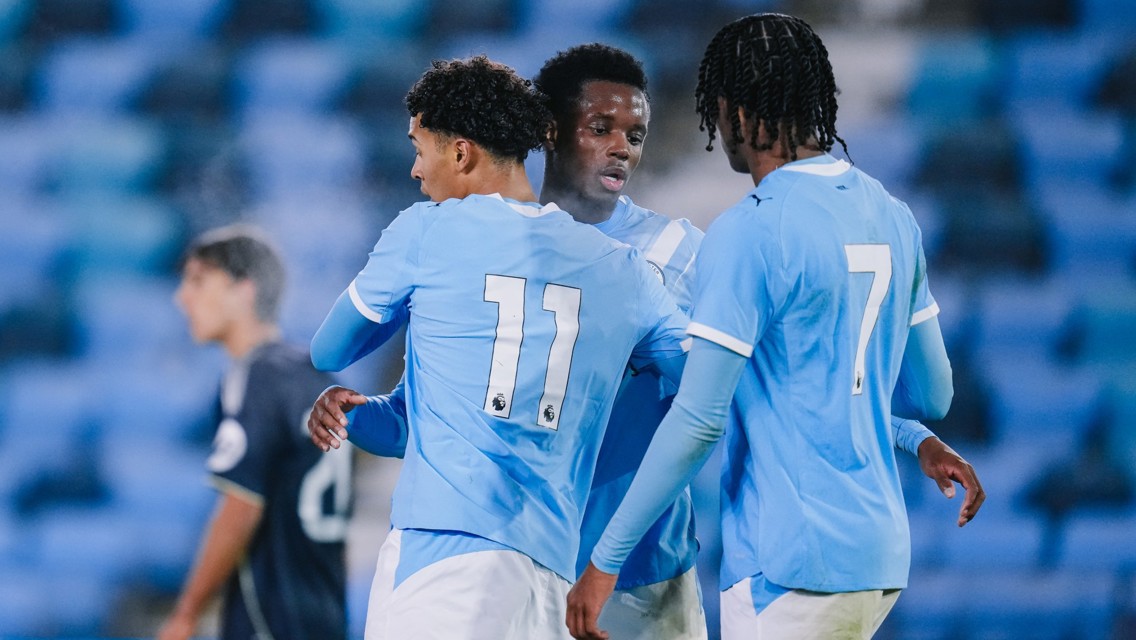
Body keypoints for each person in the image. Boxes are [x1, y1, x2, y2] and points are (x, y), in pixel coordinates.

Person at [567, 14, 986, 640]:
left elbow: (699, 419)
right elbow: (933, 394)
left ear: (736, 112)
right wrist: (912, 436)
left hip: (791, 561)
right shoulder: (893, 215)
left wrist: (605, 561)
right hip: (877, 558)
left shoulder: (750, 230)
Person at [308, 44, 708, 639]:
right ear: (548, 133)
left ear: (461, 151)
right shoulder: (622, 271)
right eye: (600, 127)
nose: (416, 171)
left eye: (420, 150)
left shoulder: (429, 231)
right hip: (551, 572)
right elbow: (714, 386)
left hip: (466, 560)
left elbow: (329, 351)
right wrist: (368, 417)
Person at [160, 225, 352, 640]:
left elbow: (241, 506)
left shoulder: (255, 377)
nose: (183, 297)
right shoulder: (314, 375)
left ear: (243, 290)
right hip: (325, 612)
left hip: (270, 617)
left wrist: (186, 615)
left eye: (198, 280)